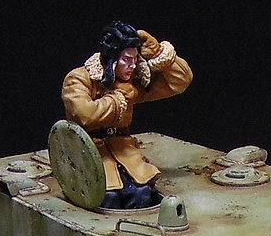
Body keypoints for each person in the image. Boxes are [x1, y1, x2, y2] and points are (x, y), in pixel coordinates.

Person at [61, 21, 193, 208]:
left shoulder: (131, 80)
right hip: (87, 153)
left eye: (135, 59)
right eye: (126, 59)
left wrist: (158, 54)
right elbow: (85, 115)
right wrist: (119, 98)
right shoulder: (79, 79)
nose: (132, 66)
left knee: (142, 193)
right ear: (112, 59)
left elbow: (180, 81)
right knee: (108, 198)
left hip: (124, 151)